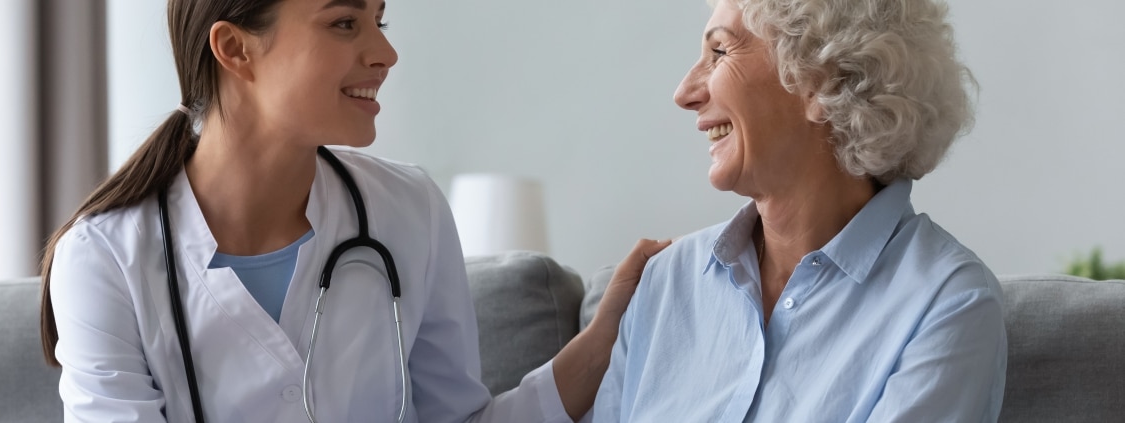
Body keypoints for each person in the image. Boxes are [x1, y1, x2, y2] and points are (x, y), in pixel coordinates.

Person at [39, 0, 670, 421]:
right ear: (235, 49)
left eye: (380, 21)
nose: (384, 53)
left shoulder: (408, 210)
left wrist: (602, 342)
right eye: (344, 22)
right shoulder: (102, 260)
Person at [591, 0, 1006, 421]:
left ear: (820, 80)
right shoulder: (664, 283)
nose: (684, 93)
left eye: (719, 52)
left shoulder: (947, 302)